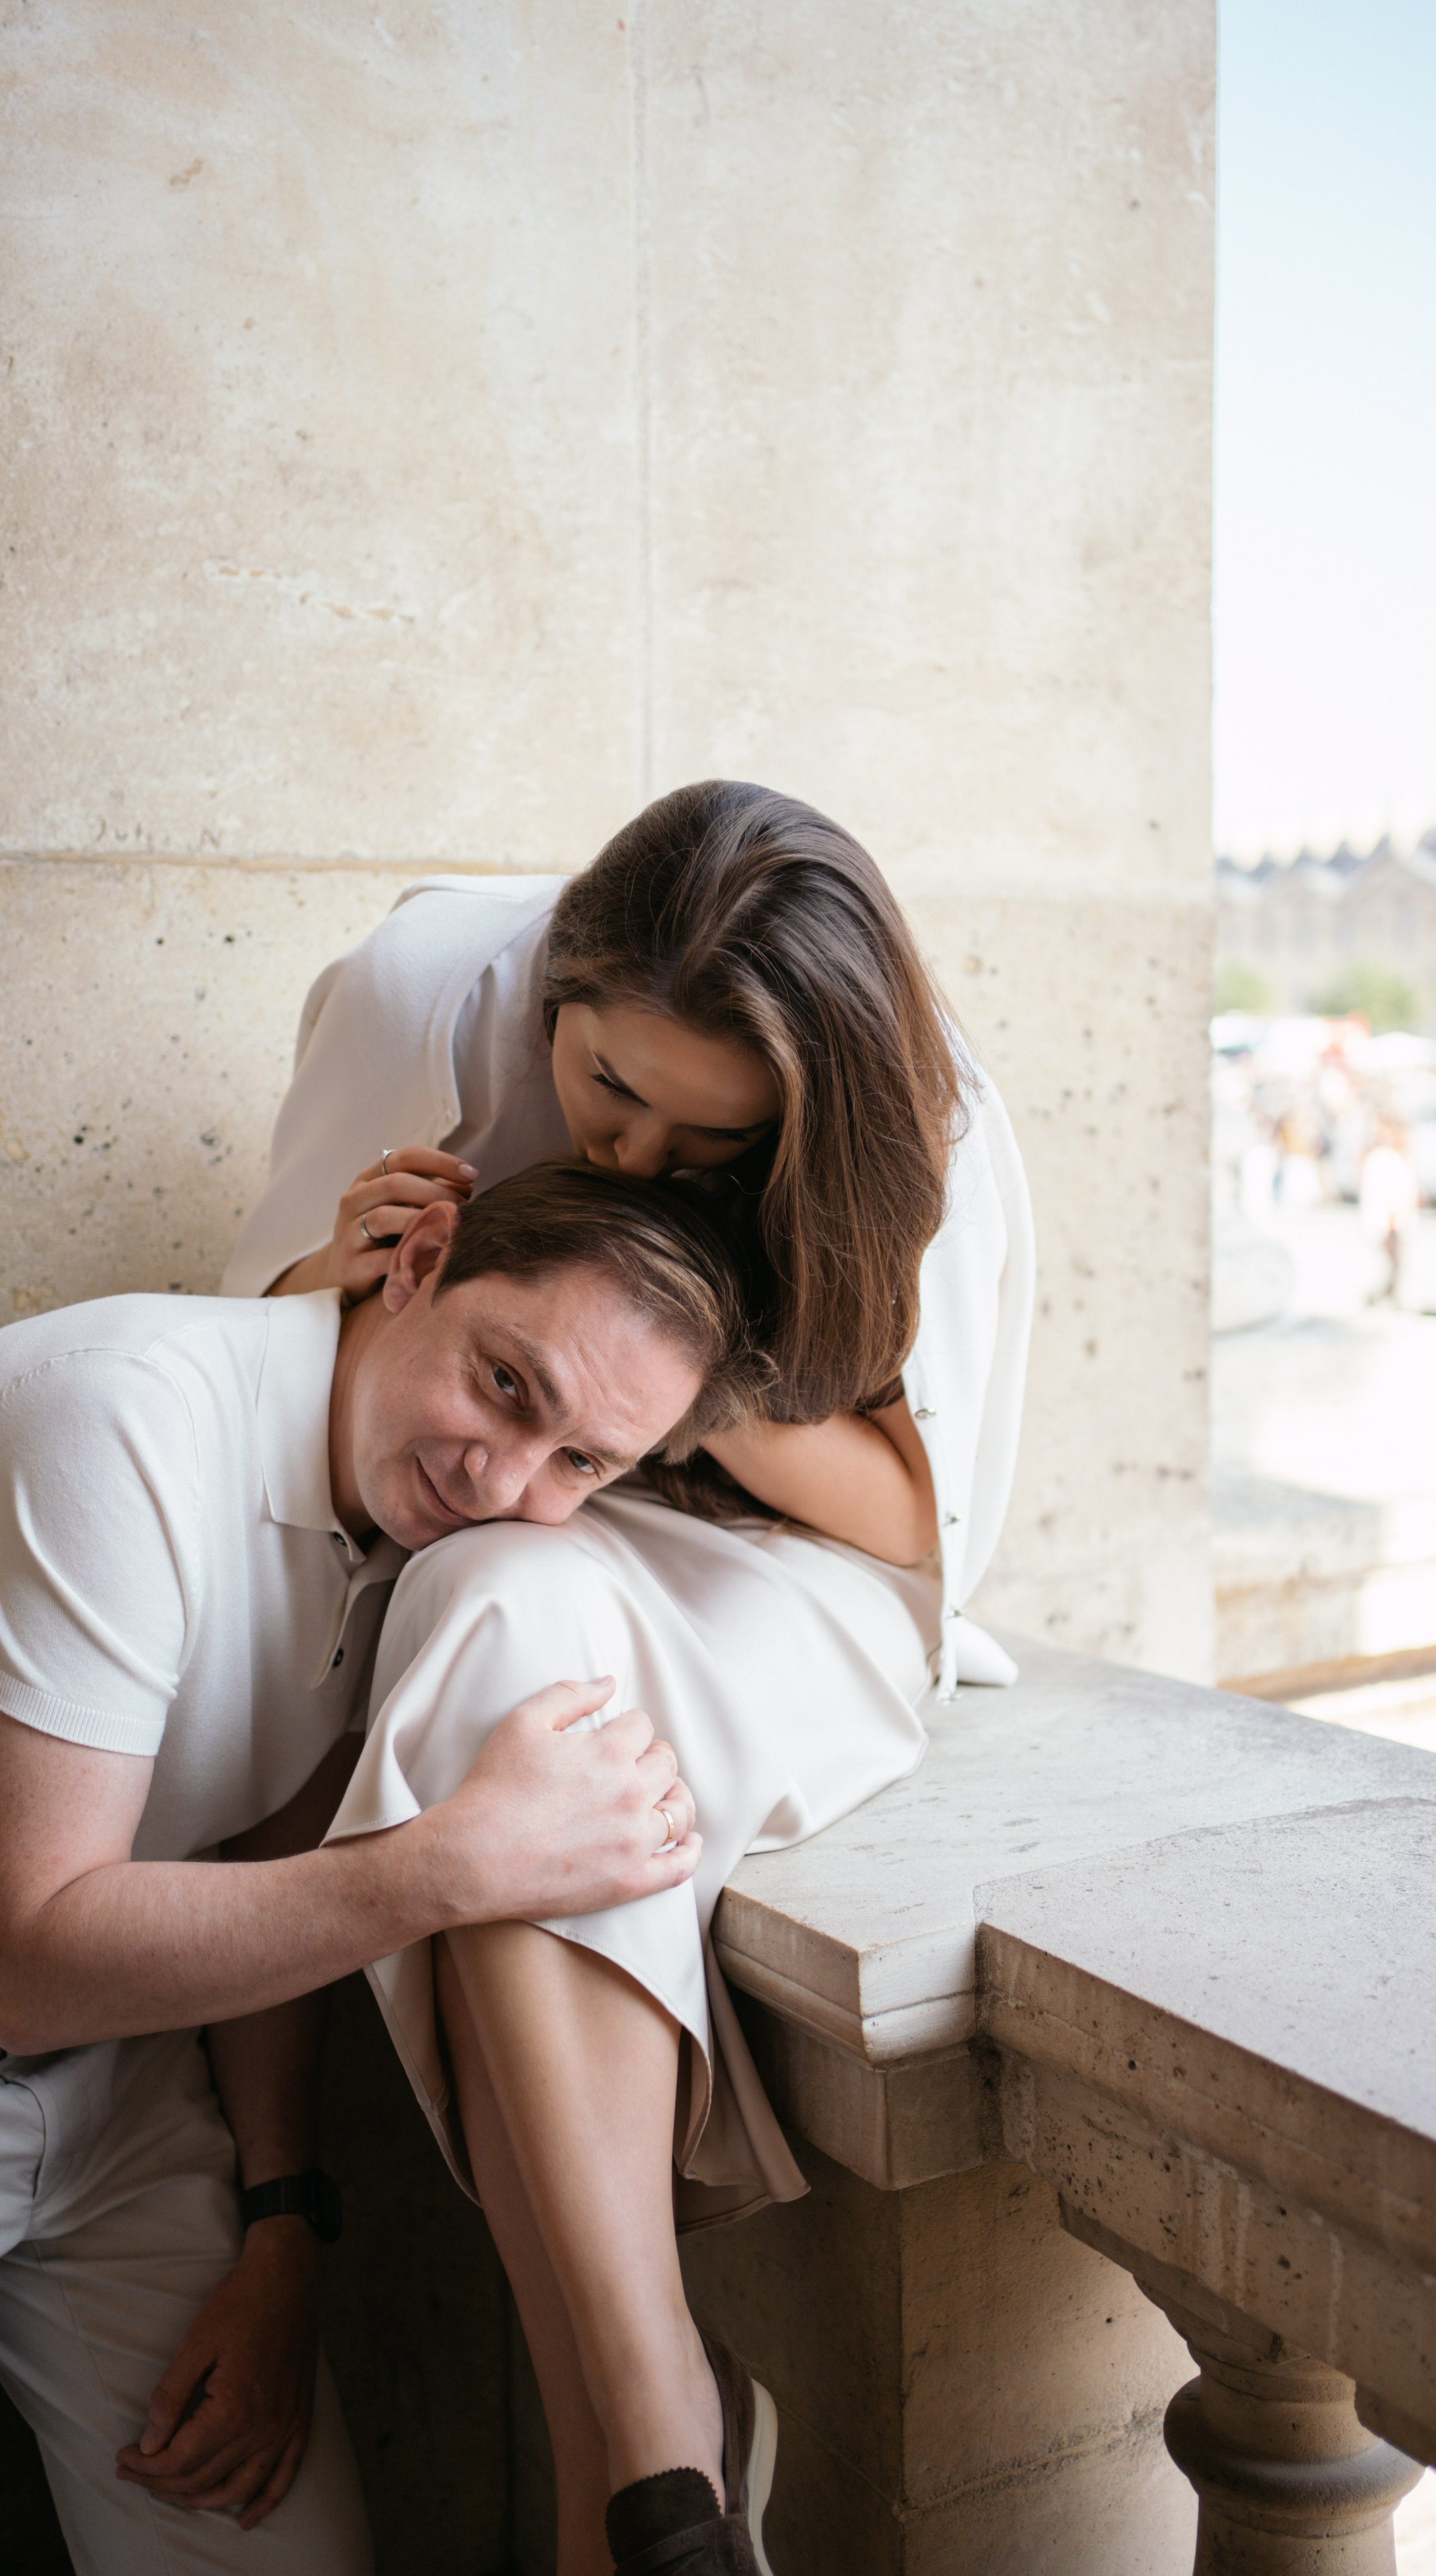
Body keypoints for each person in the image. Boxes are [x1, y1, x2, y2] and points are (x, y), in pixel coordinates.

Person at [225, 780, 1034, 2575]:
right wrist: (336, 1283)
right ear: (559, 991)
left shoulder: (921, 1101)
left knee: (497, 1623)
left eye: (717, 1147)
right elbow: (271, 1364)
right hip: (511, 1540)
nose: (642, 1161)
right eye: (608, 1093)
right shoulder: (419, 992)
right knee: (488, 1614)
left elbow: (915, 1517)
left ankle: (636, 2440)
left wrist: (675, 1390)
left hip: (792, 1578)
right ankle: (651, 2451)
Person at [0, 1164, 746, 2575]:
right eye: (509, 1385)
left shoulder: (412, 1534)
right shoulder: (124, 1418)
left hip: (122, 2115)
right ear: (421, 1260)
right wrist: (440, 1870)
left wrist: (279, 2222)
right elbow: (25, 1961)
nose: (504, 1482)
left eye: (582, 1463)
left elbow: (262, 1836)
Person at [1358, 1118, 1417, 1307]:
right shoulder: (1384, 1157)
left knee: (1396, 1264)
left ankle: (1385, 1297)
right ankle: (1384, 1297)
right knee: (1395, 1263)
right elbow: (1389, 1193)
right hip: (1389, 1219)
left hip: (1391, 1218)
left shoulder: (1387, 1156)